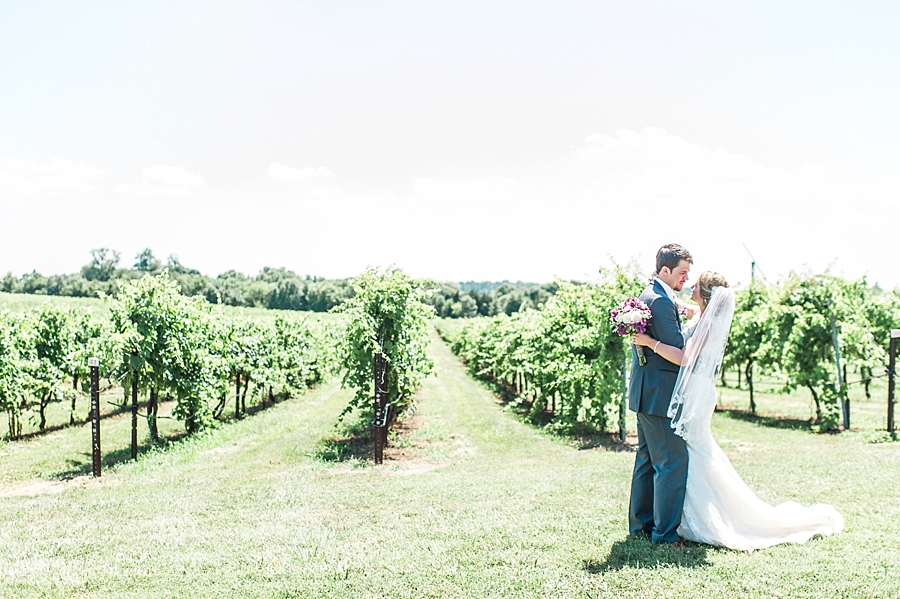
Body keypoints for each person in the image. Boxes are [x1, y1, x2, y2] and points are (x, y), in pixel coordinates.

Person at [632, 271, 844, 550]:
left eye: (695, 285)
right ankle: (678, 518)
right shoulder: (705, 315)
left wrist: (649, 342)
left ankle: (692, 519)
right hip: (692, 392)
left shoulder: (707, 324)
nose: (690, 285)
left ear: (706, 294)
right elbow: (692, 309)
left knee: (687, 454)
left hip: (694, 395)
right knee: (689, 454)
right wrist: (676, 303)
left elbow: (684, 357)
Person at [627, 243, 693, 545]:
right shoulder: (661, 302)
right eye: (681, 273)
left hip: (645, 392)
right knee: (671, 462)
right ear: (664, 270)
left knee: (646, 459)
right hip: (660, 395)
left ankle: (641, 526)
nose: (686, 279)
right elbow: (679, 352)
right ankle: (665, 535)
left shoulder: (649, 295)